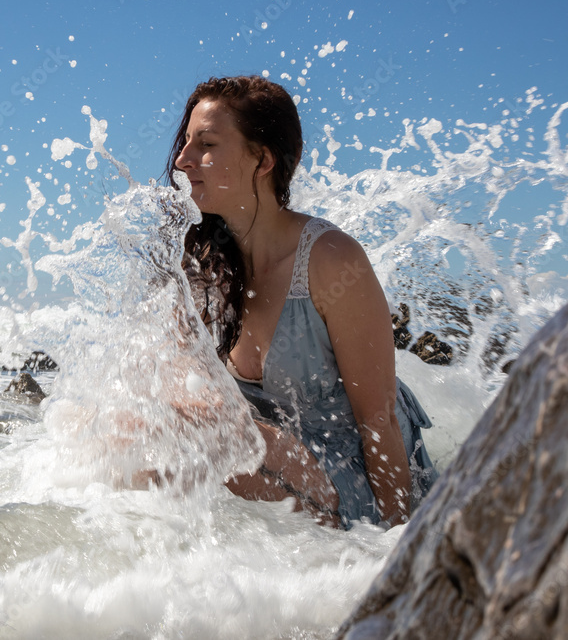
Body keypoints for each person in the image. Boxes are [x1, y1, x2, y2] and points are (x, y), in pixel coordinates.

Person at [167, 75, 437, 528]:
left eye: (206, 144)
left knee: (217, 437)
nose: (182, 160)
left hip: (360, 482)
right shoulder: (200, 265)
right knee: (131, 434)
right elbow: (172, 380)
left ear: (263, 159)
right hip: (279, 462)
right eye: (186, 142)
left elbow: (380, 421)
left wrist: (397, 550)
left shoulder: (330, 260)